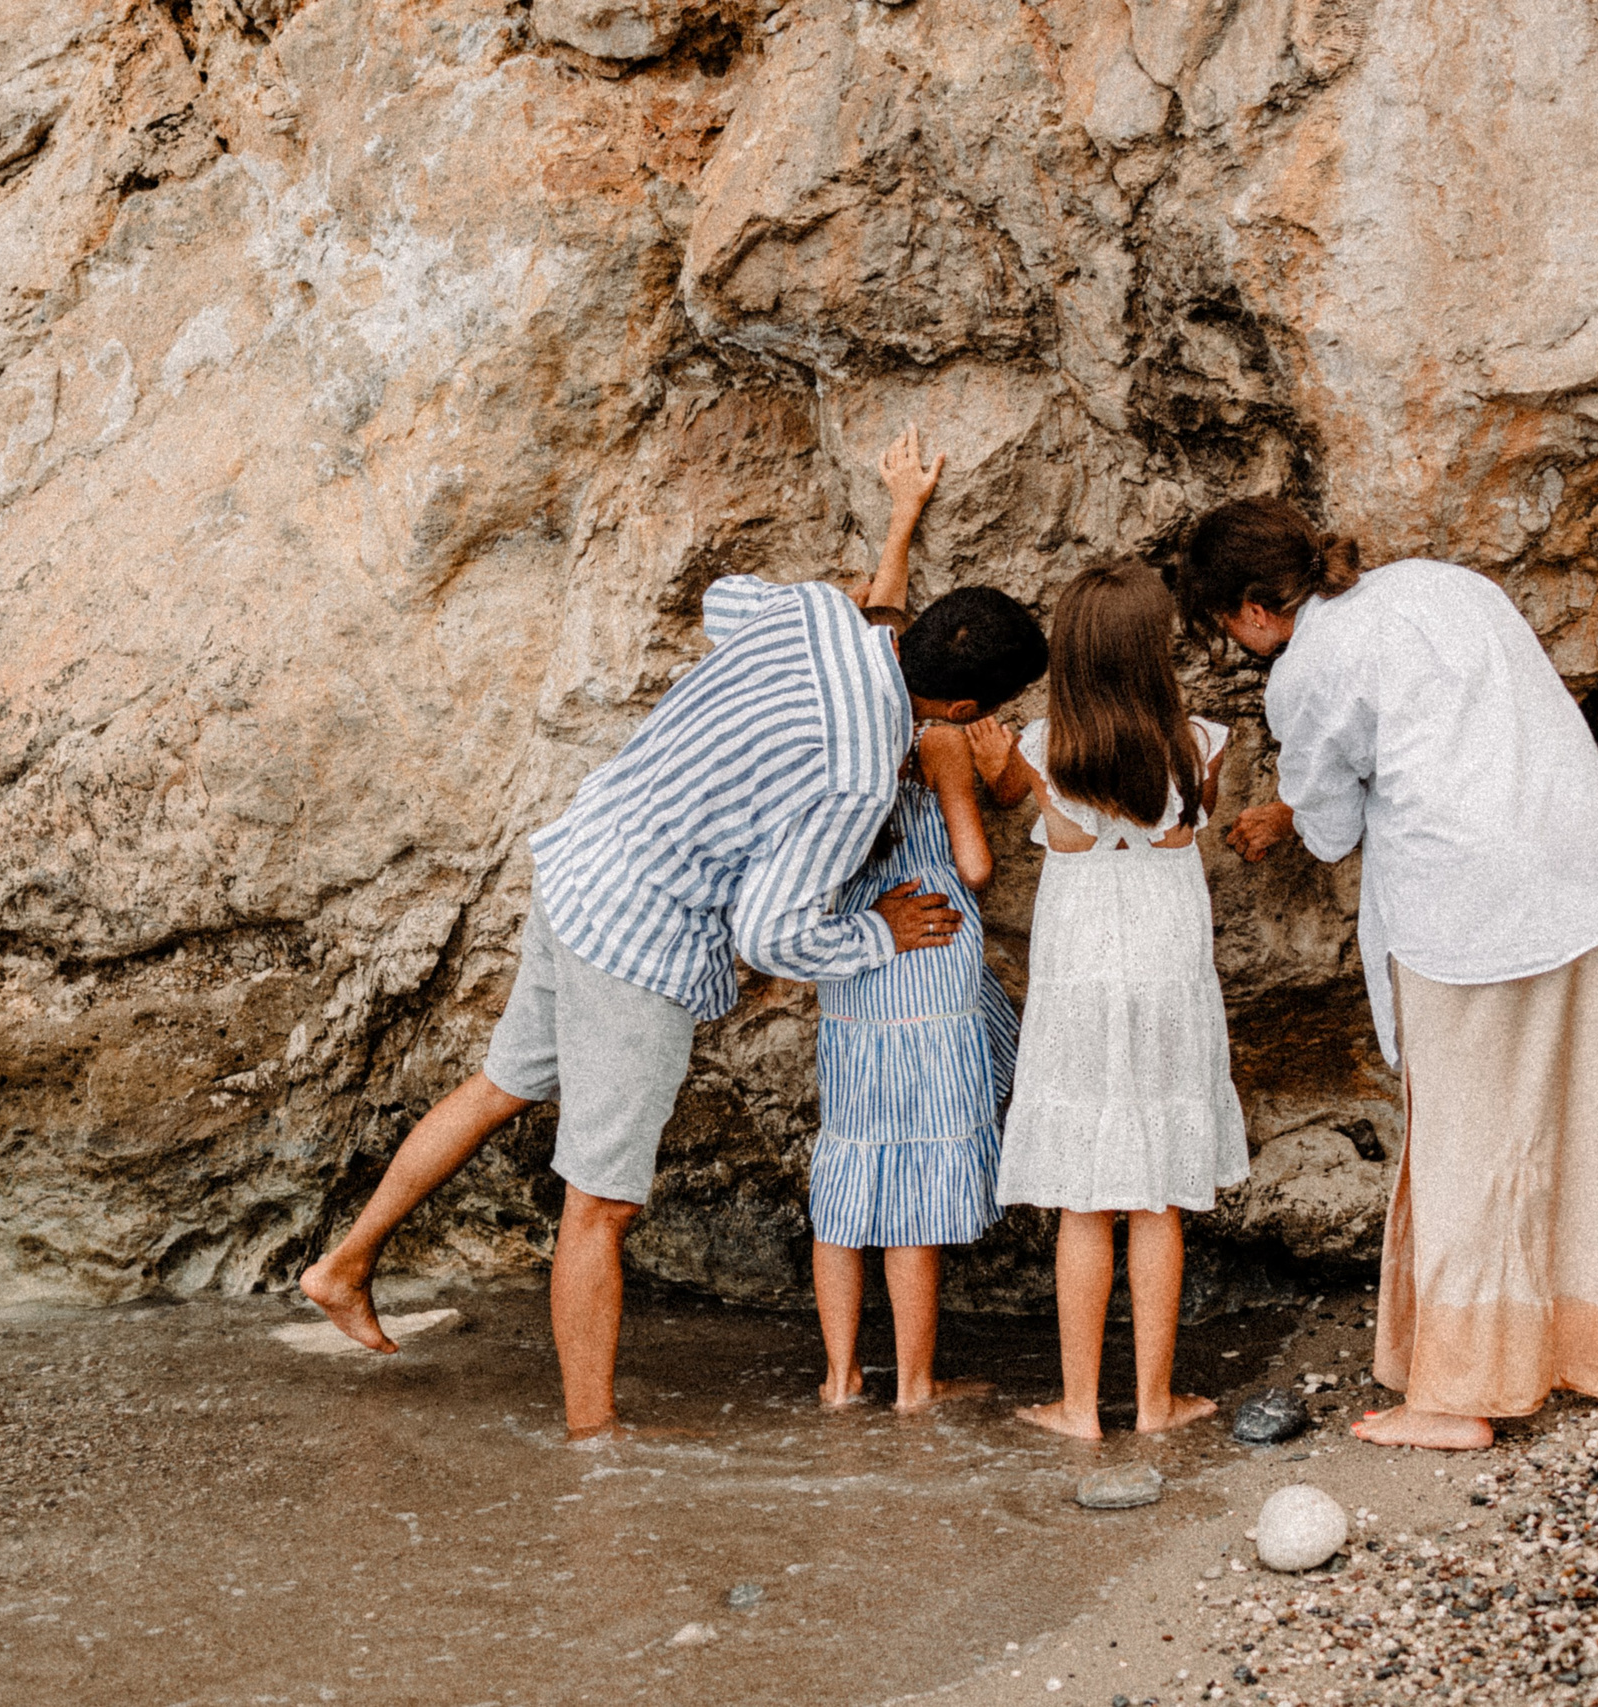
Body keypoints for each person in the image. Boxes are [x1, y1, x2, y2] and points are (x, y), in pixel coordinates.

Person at [300, 428, 1050, 1441]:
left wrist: (894, 529)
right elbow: (776, 932)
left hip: (581, 863)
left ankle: (341, 1266)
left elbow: (720, 603)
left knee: (500, 1086)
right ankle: (593, 1443)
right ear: (961, 709)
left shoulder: (818, 615)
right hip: (641, 939)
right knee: (601, 1203)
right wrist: (876, 930)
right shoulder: (858, 769)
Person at [1174, 497, 1598, 1452]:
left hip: (1473, 904)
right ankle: (1565, 1345)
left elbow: (1339, 824)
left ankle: (1460, 1392)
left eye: (1225, 624)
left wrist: (1291, 812)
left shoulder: (1305, 666)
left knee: (1468, 1137)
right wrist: (1295, 805)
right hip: (1580, 867)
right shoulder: (1439, 582)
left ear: (1255, 609)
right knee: (1558, 1117)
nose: (1236, 643)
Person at [969, 561, 1246, 1441]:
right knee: (1159, 1192)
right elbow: (1184, 823)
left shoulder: (1046, 748)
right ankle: (1157, 1402)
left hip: (1082, 972)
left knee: (1084, 1198)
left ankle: (1080, 1406)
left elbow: (1043, 815)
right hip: (1166, 970)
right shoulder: (1201, 743)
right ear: (1155, 649)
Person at [807, 606, 1022, 1414]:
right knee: (916, 1185)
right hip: (928, 971)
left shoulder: (843, 737)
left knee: (851, 1160)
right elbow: (972, 863)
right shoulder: (937, 739)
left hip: (857, 970)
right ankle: (917, 1385)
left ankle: (840, 1377)